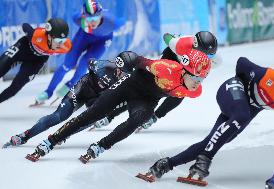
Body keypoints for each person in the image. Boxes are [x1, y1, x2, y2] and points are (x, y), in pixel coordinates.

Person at [25, 48, 212, 162]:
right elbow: (137, 60)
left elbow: (172, 100)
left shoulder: (194, 90)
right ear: (186, 70)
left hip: (146, 99)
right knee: (92, 115)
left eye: (203, 78)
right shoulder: (164, 68)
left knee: (140, 118)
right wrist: (126, 59)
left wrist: (157, 114)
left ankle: (101, 146)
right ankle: (52, 140)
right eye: (197, 77)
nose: (199, 82)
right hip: (129, 86)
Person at [141, 57, 274, 185]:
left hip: (247, 108)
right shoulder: (273, 78)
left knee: (216, 139)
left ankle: (166, 164)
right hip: (233, 90)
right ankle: (205, 159)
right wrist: (242, 90)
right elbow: (242, 62)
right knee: (241, 115)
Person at [88, 31, 220, 131]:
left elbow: (203, 72)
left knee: (180, 93)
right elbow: (166, 36)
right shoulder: (180, 45)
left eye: (209, 56)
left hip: (188, 70)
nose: (205, 58)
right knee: (146, 89)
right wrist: (175, 44)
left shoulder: (215, 60)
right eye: (204, 54)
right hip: (172, 59)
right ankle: (110, 114)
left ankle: (155, 116)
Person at [3, 58, 128, 148]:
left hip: (96, 98)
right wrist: (94, 66)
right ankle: (25, 136)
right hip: (82, 88)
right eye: (121, 71)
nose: (121, 75)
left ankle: (65, 133)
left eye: (126, 74)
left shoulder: (126, 84)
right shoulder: (107, 66)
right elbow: (89, 61)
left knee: (92, 118)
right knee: (58, 116)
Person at [34, 0, 124, 105]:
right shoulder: (77, 18)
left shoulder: (112, 22)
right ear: (83, 17)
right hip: (83, 37)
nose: (92, 22)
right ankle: (48, 92)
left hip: (101, 42)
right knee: (67, 65)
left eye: (95, 18)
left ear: (101, 15)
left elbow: (124, 20)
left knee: (84, 64)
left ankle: (69, 85)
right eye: (89, 19)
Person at [0, 18, 71, 104]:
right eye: (58, 41)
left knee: (15, 88)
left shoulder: (66, 46)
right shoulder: (37, 35)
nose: (60, 44)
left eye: (63, 40)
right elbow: (25, 25)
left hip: (36, 61)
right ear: (49, 36)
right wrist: (30, 32)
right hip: (23, 48)